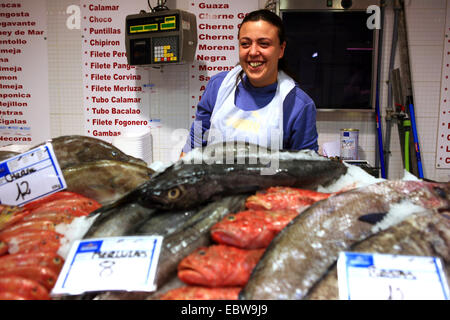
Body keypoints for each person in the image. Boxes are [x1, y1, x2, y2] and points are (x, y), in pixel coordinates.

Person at [181, 9, 318, 156]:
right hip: (213, 179)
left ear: (281, 49)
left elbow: (307, 169)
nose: (253, 52)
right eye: (245, 44)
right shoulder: (218, 86)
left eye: (264, 44)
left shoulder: (298, 105)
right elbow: (191, 150)